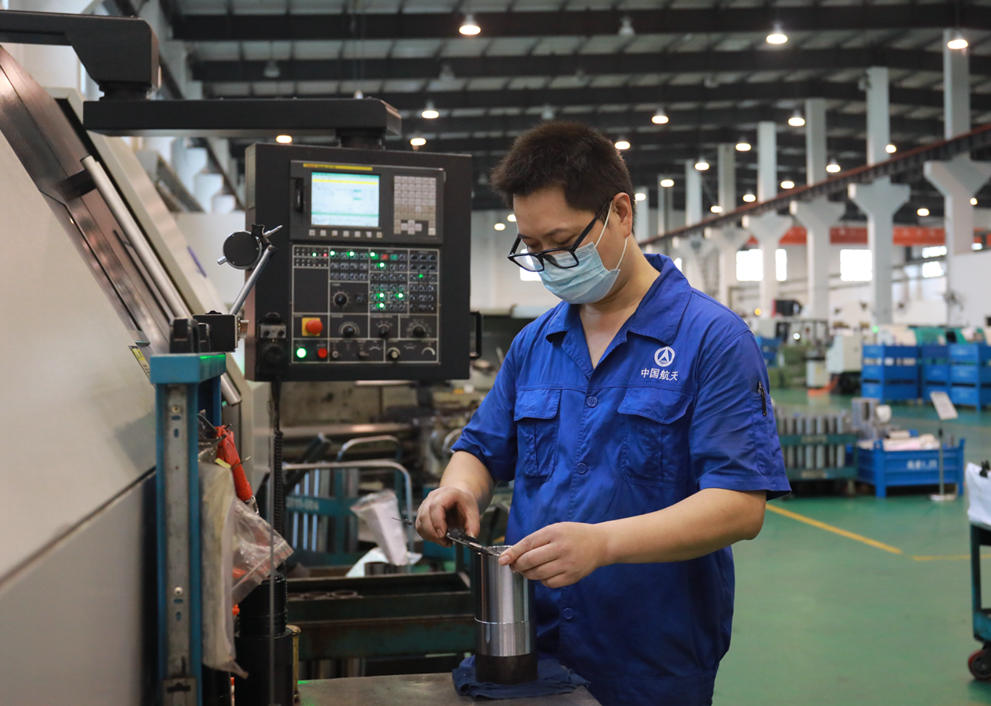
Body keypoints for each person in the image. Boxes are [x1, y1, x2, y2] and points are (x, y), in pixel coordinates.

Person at [415, 121, 790, 706]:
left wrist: (604, 544)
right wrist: (458, 489)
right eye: (533, 248)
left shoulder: (712, 340)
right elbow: (481, 449)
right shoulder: (535, 343)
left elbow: (739, 506)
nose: (548, 263)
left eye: (563, 242)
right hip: (533, 644)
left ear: (620, 212)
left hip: (652, 655)